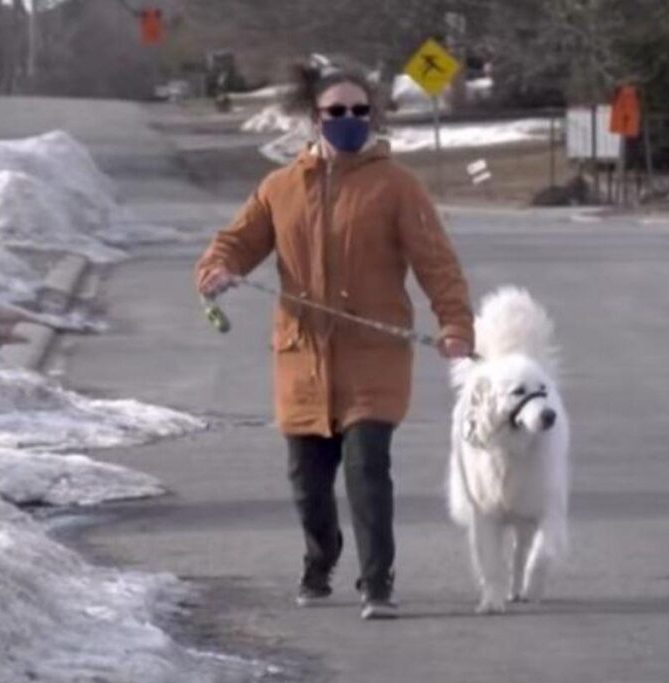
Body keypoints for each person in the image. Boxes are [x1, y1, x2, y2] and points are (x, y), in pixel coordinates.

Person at [194, 60, 474, 620]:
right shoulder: (280, 187)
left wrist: (455, 325)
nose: (349, 120)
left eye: (359, 111)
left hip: (374, 357)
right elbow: (235, 244)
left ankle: (378, 582)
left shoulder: (396, 186)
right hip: (304, 358)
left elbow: (437, 263)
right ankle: (321, 558)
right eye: (336, 112)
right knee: (308, 482)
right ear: (314, 119)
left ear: (372, 116)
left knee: (367, 467)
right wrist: (218, 270)